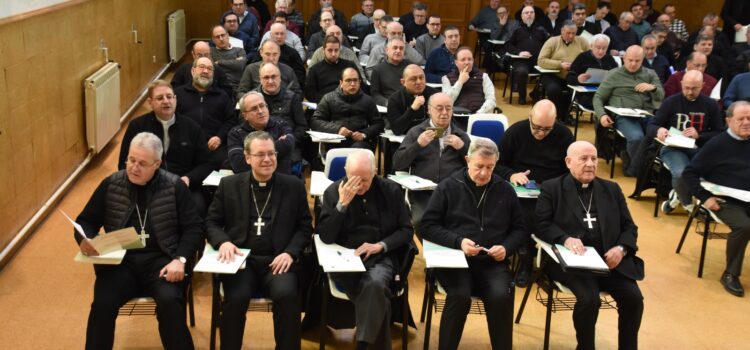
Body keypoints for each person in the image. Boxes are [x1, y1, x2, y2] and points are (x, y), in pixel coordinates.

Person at [76, 131, 203, 350]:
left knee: (170, 304)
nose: (134, 167)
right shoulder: (111, 184)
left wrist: (180, 259)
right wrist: (86, 239)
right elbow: (85, 221)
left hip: (162, 263)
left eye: (142, 163)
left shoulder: (174, 187)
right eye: (131, 160)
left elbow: (194, 228)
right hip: (121, 264)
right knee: (102, 306)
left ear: (157, 164)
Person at [206, 131, 311, 349]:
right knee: (235, 299)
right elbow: (211, 222)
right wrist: (224, 242)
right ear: (247, 158)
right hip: (242, 262)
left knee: (287, 296)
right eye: (260, 154)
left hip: (278, 260)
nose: (267, 159)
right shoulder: (229, 185)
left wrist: (290, 252)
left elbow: (304, 226)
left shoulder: (293, 185)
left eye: (271, 153)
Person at [420, 137, 527, 349]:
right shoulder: (448, 186)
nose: (484, 173)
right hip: (455, 261)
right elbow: (427, 225)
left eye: (490, 167)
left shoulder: (505, 189)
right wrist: (458, 242)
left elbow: (520, 229)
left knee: (500, 296)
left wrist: (506, 248)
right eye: (479, 166)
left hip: (491, 263)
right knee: (460, 296)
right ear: (467, 160)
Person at [536, 140, 645, 350]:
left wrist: (621, 250)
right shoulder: (552, 188)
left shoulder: (611, 189)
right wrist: (565, 239)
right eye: (583, 158)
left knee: (634, 298)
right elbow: (541, 224)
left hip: (610, 263)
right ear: (568, 162)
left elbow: (630, 228)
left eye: (594, 159)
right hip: (574, 264)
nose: (590, 164)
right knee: (589, 300)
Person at [317, 150, 414, 350]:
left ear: (375, 172)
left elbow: (406, 230)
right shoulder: (333, 192)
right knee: (377, 294)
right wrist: (341, 205)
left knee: (376, 284)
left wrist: (381, 245)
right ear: (345, 171)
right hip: (345, 258)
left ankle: (363, 344)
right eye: (353, 178)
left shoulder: (391, 190)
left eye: (365, 179)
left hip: (380, 256)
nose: (359, 186)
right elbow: (325, 236)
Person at [495, 100, 573, 287]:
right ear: (529, 117)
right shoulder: (516, 132)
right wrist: (512, 174)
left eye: (547, 129)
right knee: (526, 213)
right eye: (536, 127)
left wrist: (554, 185)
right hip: (519, 191)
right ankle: (526, 258)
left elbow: (570, 170)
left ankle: (550, 262)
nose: (540, 133)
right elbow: (498, 165)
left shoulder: (564, 135)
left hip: (552, 189)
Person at [119, 81, 217, 216]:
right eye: (160, 98)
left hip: (183, 185)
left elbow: (206, 163)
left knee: (198, 207)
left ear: (175, 99)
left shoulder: (192, 127)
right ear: (150, 103)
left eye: (169, 97)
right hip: (146, 184)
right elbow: (123, 163)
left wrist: (189, 178)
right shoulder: (137, 126)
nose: (166, 101)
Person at [682, 101, 750, 297]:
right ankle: (730, 274)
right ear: (729, 121)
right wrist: (705, 198)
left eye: (749, 119)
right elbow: (689, 174)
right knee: (745, 226)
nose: (746, 122)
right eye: (741, 119)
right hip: (725, 199)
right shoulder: (717, 145)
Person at [647, 70, 724, 214]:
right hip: (673, 148)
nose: (689, 92)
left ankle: (676, 197)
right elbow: (652, 125)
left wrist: (699, 135)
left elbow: (719, 133)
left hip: (699, 148)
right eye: (686, 87)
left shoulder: (710, 105)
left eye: (694, 88)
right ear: (682, 84)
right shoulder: (671, 102)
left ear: (703, 86)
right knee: (681, 173)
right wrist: (659, 130)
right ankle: (689, 205)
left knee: (711, 173)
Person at [393, 92, 471, 227]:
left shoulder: (461, 135)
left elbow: (475, 167)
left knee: (461, 223)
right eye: (439, 108)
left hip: (454, 193)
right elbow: (398, 164)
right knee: (423, 222)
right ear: (429, 110)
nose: (445, 113)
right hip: (423, 194)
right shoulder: (416, 132)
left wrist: (463, 148)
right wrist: (418, 145)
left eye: (448, 108)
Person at [593, 45, 664, 176]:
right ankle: (643, 170)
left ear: (642, 60)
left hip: (646, 114)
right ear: (624, 58)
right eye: (630, 60)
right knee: (637, 138)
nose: (633, 64)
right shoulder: (614, 74)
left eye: (637, 61)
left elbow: (661, 96)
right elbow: (598, 98)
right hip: (623, 115)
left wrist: (653, 88)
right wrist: (602, 115)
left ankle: (634, 168)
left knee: (660, 136)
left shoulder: (650, 74)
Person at [174, 57, 236, 165]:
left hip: (214, 146)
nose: (205, 71)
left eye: (209, 69)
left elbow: (231, 120)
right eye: (201, 67)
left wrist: (219, 137)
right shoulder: (178, 94)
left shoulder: (222, 96)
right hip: (184, 145)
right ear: (193, 71)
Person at [311, 67, 384, 150]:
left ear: (360, 82)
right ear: (341, 83)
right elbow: (315, 121)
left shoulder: (368, 100)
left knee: (357, 150)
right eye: (348, 80)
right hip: (335, 142)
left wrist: (364, 134)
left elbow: (379, 124)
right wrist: (337, 129)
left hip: (360, 144)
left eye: (355, 80)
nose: (352, 84)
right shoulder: (329, 98)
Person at [255, 62, 307, 172]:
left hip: (288, 146)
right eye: (266, 77)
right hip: (259, 148)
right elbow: (244, 125)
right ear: (260, 79)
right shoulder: (251, 99)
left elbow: (302, 127)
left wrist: (289, 139)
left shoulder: (293, 98)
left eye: (274, 77)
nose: (270, 81)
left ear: (280, 78)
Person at [228, 91, 295, 175]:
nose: (260, 111)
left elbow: (289, 144)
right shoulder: (235, 133)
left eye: (262, 106)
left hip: (281, 179)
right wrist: (277, 147)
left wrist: (254, 155)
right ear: (245, 115)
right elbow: (238, 165)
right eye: (254, 109)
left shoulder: (280, 123)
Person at [537, 20, 590, 124]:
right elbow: (541, 60)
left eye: (573, 33)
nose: (571, 36)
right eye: (568, 33)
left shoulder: (582, 41)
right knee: (554, 90)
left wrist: (577, 67)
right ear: (562, 31)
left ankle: (565, 114)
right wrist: (560, 64)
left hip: (572, 76)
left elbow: (590, 58)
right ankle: (560, 115)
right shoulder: (552, 41)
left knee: (574, 91)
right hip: (552, 75)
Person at [505, 5, 549, 105]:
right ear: (522, 16)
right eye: (526, 13)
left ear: (534, 15)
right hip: (521, 61)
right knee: (521, 72)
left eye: (531, 12)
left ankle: (535, 94)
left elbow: (549, 45)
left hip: (538, 61)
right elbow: (508, 44)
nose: (529, 14)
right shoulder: (517, 29)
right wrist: (519, 52)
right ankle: (522, 95)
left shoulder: (541, 29)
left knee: (548, 73)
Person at [565, 34, 618, 109]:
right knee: (599, 104)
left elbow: (617, 76)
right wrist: (578, 79)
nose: (601, 51)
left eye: (604, 48)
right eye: (598, 48)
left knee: (615, 102)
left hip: (604, 92)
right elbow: (569, 78)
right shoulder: (582, 57)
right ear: (591, 46)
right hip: (585, 93)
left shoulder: (609, 59)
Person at [237, 40, 302, 100]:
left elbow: (298, 93)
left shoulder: (288, 70)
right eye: (267, 54)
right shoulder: (250, 69)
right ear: (261, 53)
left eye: (275, 54)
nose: (271, 58)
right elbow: (241, 93)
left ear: (279, 53)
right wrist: (254, 100)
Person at [442, 46, 497, 114]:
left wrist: (479, 113)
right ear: (456, 62)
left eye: (469, 59)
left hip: (480, 116)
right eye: (463, 60)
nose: (467, 62)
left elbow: (491, 100)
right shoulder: (447, 78)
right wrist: (460, 82)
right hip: (457, 117)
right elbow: (446, 102)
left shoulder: (484, 77)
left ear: (473, 61)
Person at [386, 65, 439, 135]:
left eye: (421, 78)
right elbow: (396, 130)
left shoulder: (435, 95)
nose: (419, 82)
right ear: (403, 82)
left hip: (432, 137)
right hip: (405, 140)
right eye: (413, 79)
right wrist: (412, 109)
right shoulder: (394, 99)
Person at [305, 35, 359, 103]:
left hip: (348, 102)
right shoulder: (314, 70)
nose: (333, 54)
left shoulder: (350, 66)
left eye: (336, 50)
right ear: (323, 50)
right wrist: (329, 101)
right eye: (330, 50)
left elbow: (360, 87)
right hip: (325, 105)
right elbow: (310, 94)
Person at [371, 38, 408, 106]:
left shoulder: (411, 67)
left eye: (401, 48)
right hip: (388, 106)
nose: (398, 51)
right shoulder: (378, 69)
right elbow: (375, 94)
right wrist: (387, 103)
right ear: (387, 50)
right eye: (395, 48)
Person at [210, 25, 247, 94]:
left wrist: (219, 62)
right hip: (217, 88)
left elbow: (240, 65)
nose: (221, 39)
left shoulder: (239, 50)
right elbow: (212, 68)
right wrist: (234, 63)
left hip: (237, 88)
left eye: (223, 35)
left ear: (228, 35)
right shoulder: (210, 51)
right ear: (213, 40)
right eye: (217, 37)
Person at [267, 23, 306, 89]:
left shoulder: (293, 53)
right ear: (271, 35)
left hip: (288, 88)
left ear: (286, 36)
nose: (279, 36)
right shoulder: (264, 51)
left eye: (282, 34)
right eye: (276, 34)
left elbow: (300, 75)